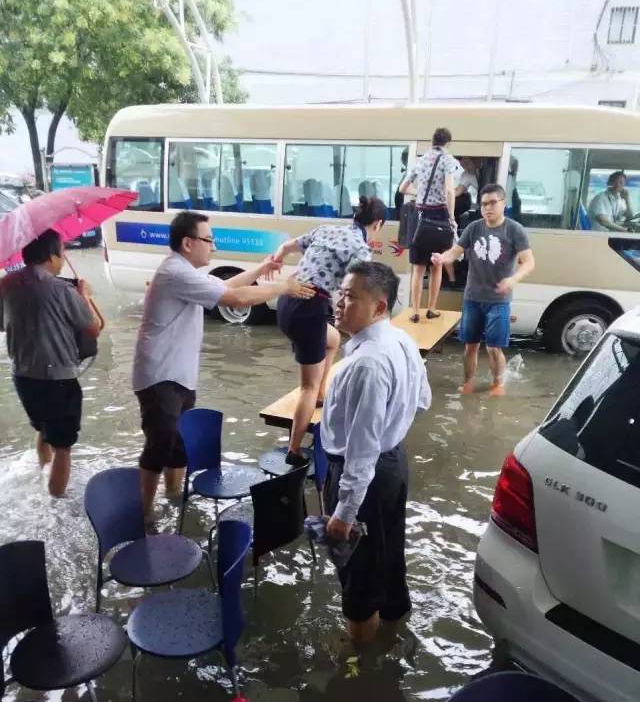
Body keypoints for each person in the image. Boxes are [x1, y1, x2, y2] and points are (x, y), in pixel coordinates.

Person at [132, 210, 314, 522]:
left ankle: (174, 502)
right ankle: (144, 514)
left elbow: (223, 286)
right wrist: (283, 288)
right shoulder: (176, 273)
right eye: (209, 240)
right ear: (188, 243)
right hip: (160, 376)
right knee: (159, 446)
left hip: (178, 375)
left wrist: (262, 269)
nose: (213, 247)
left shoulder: (185, 271)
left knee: (177, 445)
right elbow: (236, 298)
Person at [321, 261, 431, 643]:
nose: (339, 302)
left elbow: (362, 449)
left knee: (360, 576)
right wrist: (392, 425)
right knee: (389, 554)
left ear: (379, 306)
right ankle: (393, 631)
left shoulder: (367, 363)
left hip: (363, 475)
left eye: (351, 297)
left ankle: (360, 660)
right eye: (340, 293)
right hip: (392, 464)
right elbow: (422, 399)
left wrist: (344, 513)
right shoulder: (401, 340)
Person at [271, 196, 385, 467]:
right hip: (308, 308)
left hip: (286, 302)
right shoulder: (360, 249)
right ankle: (294, 449)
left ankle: (321, 394)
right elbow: (358, 292)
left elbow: (286, 246)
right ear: (378, 224)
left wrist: (276, 260)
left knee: (332, 339)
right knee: (306, 387)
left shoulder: (326, 229)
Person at [0, 229, 102, 496]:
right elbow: (92, 329)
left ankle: (43, 474)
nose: (64, 257)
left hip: (23, 375)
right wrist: (84, 295)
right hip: (57, 380)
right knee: (63, 447)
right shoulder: (61, 289)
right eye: (63, 251)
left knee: (43, 429)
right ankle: (56, 502)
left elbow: (3, 324)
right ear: (51, 255)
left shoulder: (7, 284)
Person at [432, 184, 535, 396]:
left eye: (492, 203)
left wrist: (513, 279)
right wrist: (442, 258)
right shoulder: (474, 228)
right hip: (472, 298)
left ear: (503, 204)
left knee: (494, 348)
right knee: (470, 345)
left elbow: (529, 262)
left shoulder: (514, 230)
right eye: (483, 204)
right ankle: (468, 383)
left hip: (499, 300)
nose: (487, 208)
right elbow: (455, 251)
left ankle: (498, 384)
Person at [398, 127, 459, 322]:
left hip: (419, 216)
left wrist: (420, 194)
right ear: (448, 143)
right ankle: (431, 309)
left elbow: (403, 188)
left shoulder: (421, 160)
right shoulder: (447, 160)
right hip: (439, 216)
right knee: (436, 265)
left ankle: (415, 311)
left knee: (418, 268)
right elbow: (449, 191)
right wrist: (451, 217)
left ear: (432, 142)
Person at [454, 156, 479, 221]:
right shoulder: (467, 175)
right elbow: (458, 191)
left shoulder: (486, 171)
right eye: (462, 166)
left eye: (467, 164)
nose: (465, 168)